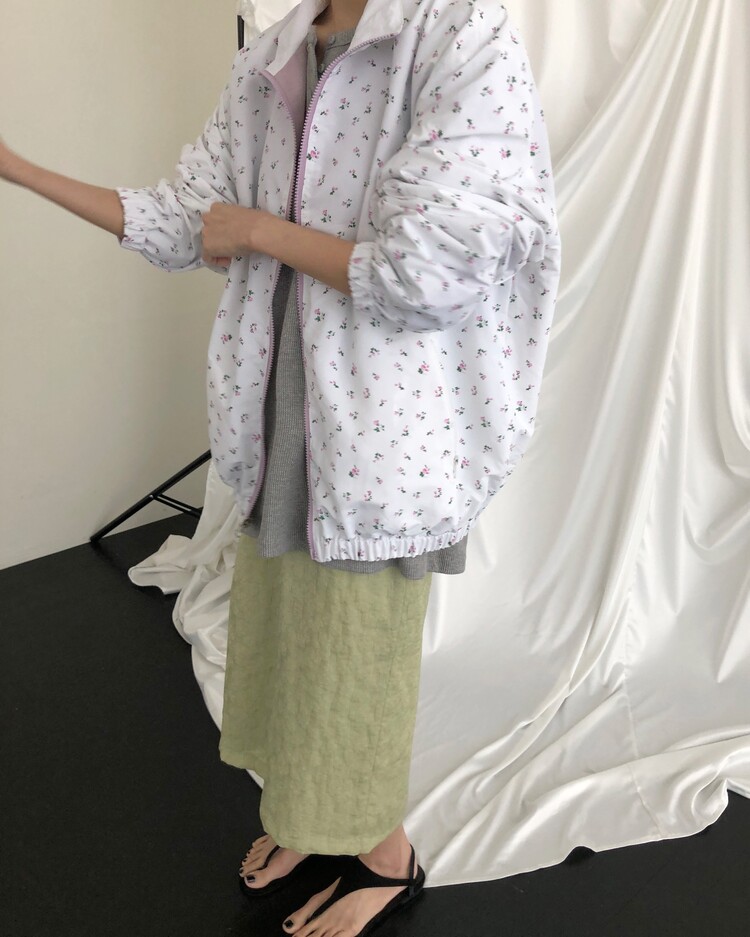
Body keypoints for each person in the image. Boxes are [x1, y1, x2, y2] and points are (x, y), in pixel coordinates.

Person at [0, 0, 561, 933]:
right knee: (289, 641)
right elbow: (185, 223)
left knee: (354, 654)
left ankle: (385, 856)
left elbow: (429, 275)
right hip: (275, 412)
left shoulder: (459, 34)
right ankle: (308, 819)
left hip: (386, 425)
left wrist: (259, 231)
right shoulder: (272, 58)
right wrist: (16, 168)